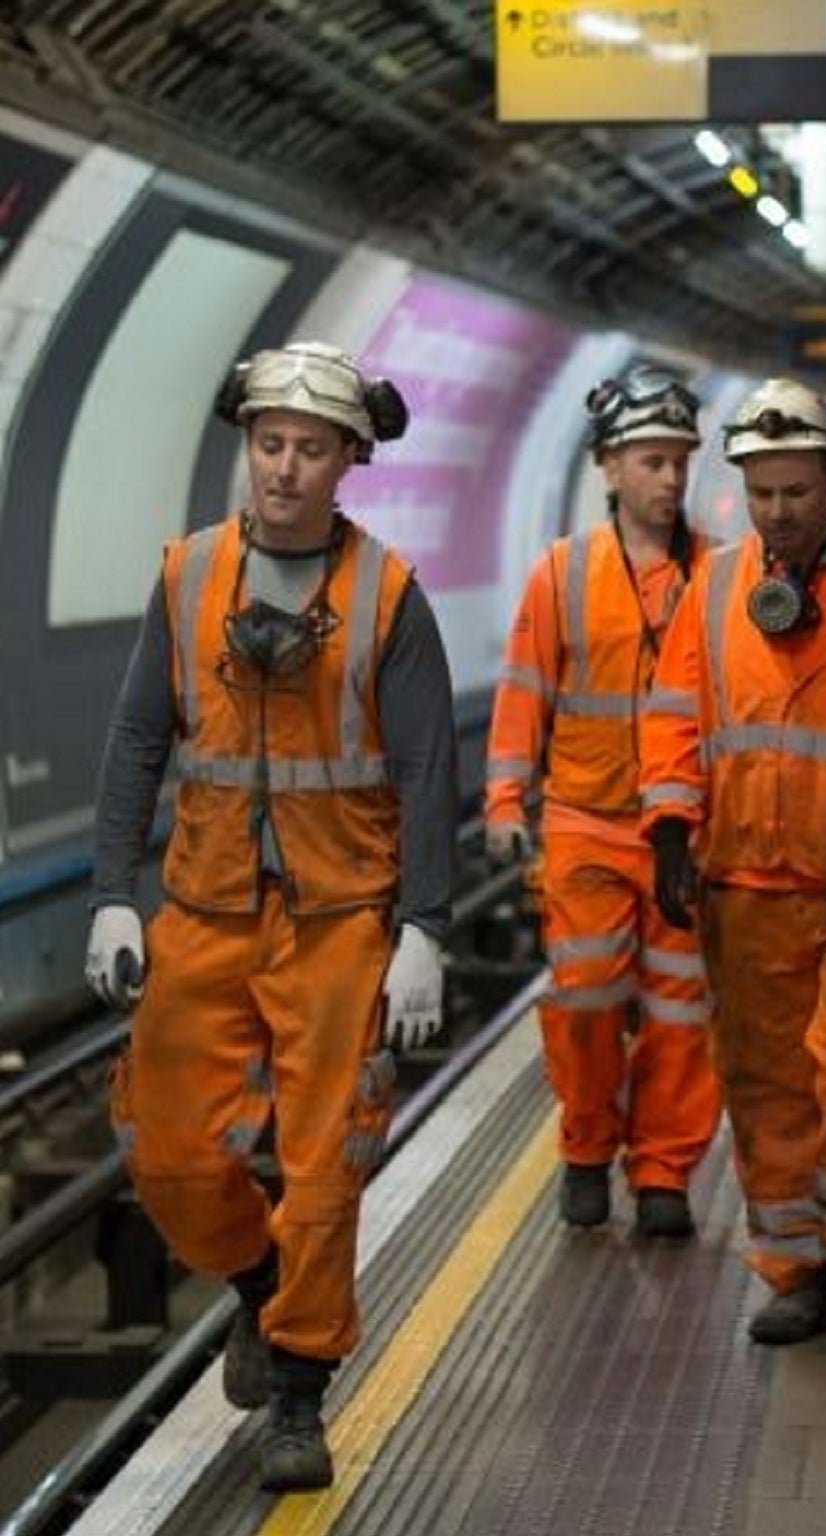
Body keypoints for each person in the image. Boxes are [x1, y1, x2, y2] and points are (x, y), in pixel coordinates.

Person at [84, 342, 456, 1491]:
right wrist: (111, 895)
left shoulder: (386, 595)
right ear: (247, 447)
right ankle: (257, 1285)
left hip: (339, 917)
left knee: (325, 1163)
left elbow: (428, 767)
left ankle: (298, 1390)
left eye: (309, 448)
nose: (284, 468)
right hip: (202, 905)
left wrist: (426, 929)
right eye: (268, 444)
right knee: (165, 1144)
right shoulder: (190, 576)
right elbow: (140, 738)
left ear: (348, 460)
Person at [638, 378, 826, 1346]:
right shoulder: (714, 587)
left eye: (796, 493)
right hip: (744, 883)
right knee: (762, 1087)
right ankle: (791, 1267)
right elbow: (674, 716)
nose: (779, 512)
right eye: (761, 494)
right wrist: (670, 827)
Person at [486, 366, 719, 1238]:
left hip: (686, 832)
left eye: (679, 463)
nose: (669, 480)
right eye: (652, 461)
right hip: (585, 822)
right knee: (584, 998)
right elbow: (524, 691)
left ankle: (663, 1171)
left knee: (679, 1014)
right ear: (610, 468)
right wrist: (507, 800)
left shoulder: (718, 576)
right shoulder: (565, 573)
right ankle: (586, 1146)